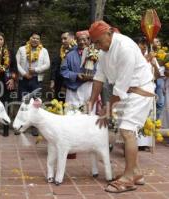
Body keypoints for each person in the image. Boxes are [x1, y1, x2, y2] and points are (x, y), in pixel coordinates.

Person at [87, 21, 155, 193]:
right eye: (94, 42)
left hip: (140, 91)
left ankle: (128, 178)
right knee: (125, 131)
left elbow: (121, 85)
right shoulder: (103, 51)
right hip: (126, 92)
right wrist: (91, 101)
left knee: (127, 131)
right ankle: (136, 172)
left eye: (98, 41)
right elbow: (99, 77)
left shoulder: (124, 46)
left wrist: (107, 107)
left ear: (109, 32)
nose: (97, 45)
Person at [16, 32, 50, 136]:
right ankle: (20, 126)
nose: (35, 40)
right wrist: (24, 74)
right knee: (23, 103)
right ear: (30, 38)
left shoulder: (44, 51)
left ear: (39, 40)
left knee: (36, 103)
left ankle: (34, 127)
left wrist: (36, 70)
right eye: (33, 38)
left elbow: (47, 64)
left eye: (37, 38)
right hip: (24, 79)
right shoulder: (21, 49)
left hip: (36, 80)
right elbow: (16, 64)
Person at [60, 30, 96, 110]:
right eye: (79, 40)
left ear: (89, 40)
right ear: (76, 41)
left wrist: (92, 76)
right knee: (71, 114)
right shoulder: (69, 55)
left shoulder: (96, 54)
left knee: (88, 114)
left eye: (84, 40)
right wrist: (76, 75)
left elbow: (101, 71)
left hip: (89, 88)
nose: (82, 42)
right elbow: (63, 71)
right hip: (73, 90)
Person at [50, 31, 76, 101]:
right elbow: (54, 65)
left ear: (72, 38)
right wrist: (52, 80)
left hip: (70, 83)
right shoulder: (60, 49)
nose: (63, 41)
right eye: (62, 39)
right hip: (58, 82)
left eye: (65, 38)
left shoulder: (77, 50)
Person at [152, 38, 165, 119]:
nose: (158, 42)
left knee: (160, 103)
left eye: (159, 41)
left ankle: (157, 120)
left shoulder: (164, 54)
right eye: (156, 41)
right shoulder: (149, 52)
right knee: (151, 102)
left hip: (161, 79)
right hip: (152, 79)